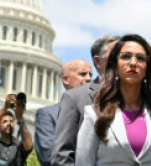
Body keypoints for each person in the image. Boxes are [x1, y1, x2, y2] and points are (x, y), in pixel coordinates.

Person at [75, 34, 151, 166]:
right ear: (115, 66)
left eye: (140, 58)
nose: (133, 63)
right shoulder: (94, 114)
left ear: (147, 67)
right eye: (126, 56)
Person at [52, 34, 121, 166]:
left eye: (125, 55)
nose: (122, 60)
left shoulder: (140, 101)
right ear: (98, 61)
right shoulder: (75, 98)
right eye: (115, 54)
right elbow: (62, 157)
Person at [36, 59, 93, 166]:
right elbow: (48, 155)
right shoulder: (47, 114)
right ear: (66, 79)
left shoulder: (97, 111)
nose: (89, 78)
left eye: (90, 74)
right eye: (82, 74)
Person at [0, 93, 33, 166]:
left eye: (11, 121)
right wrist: (5, 107)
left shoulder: (18, 145)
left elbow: (29, 145)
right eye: (5, 121)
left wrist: (20, 118)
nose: (9, 124)